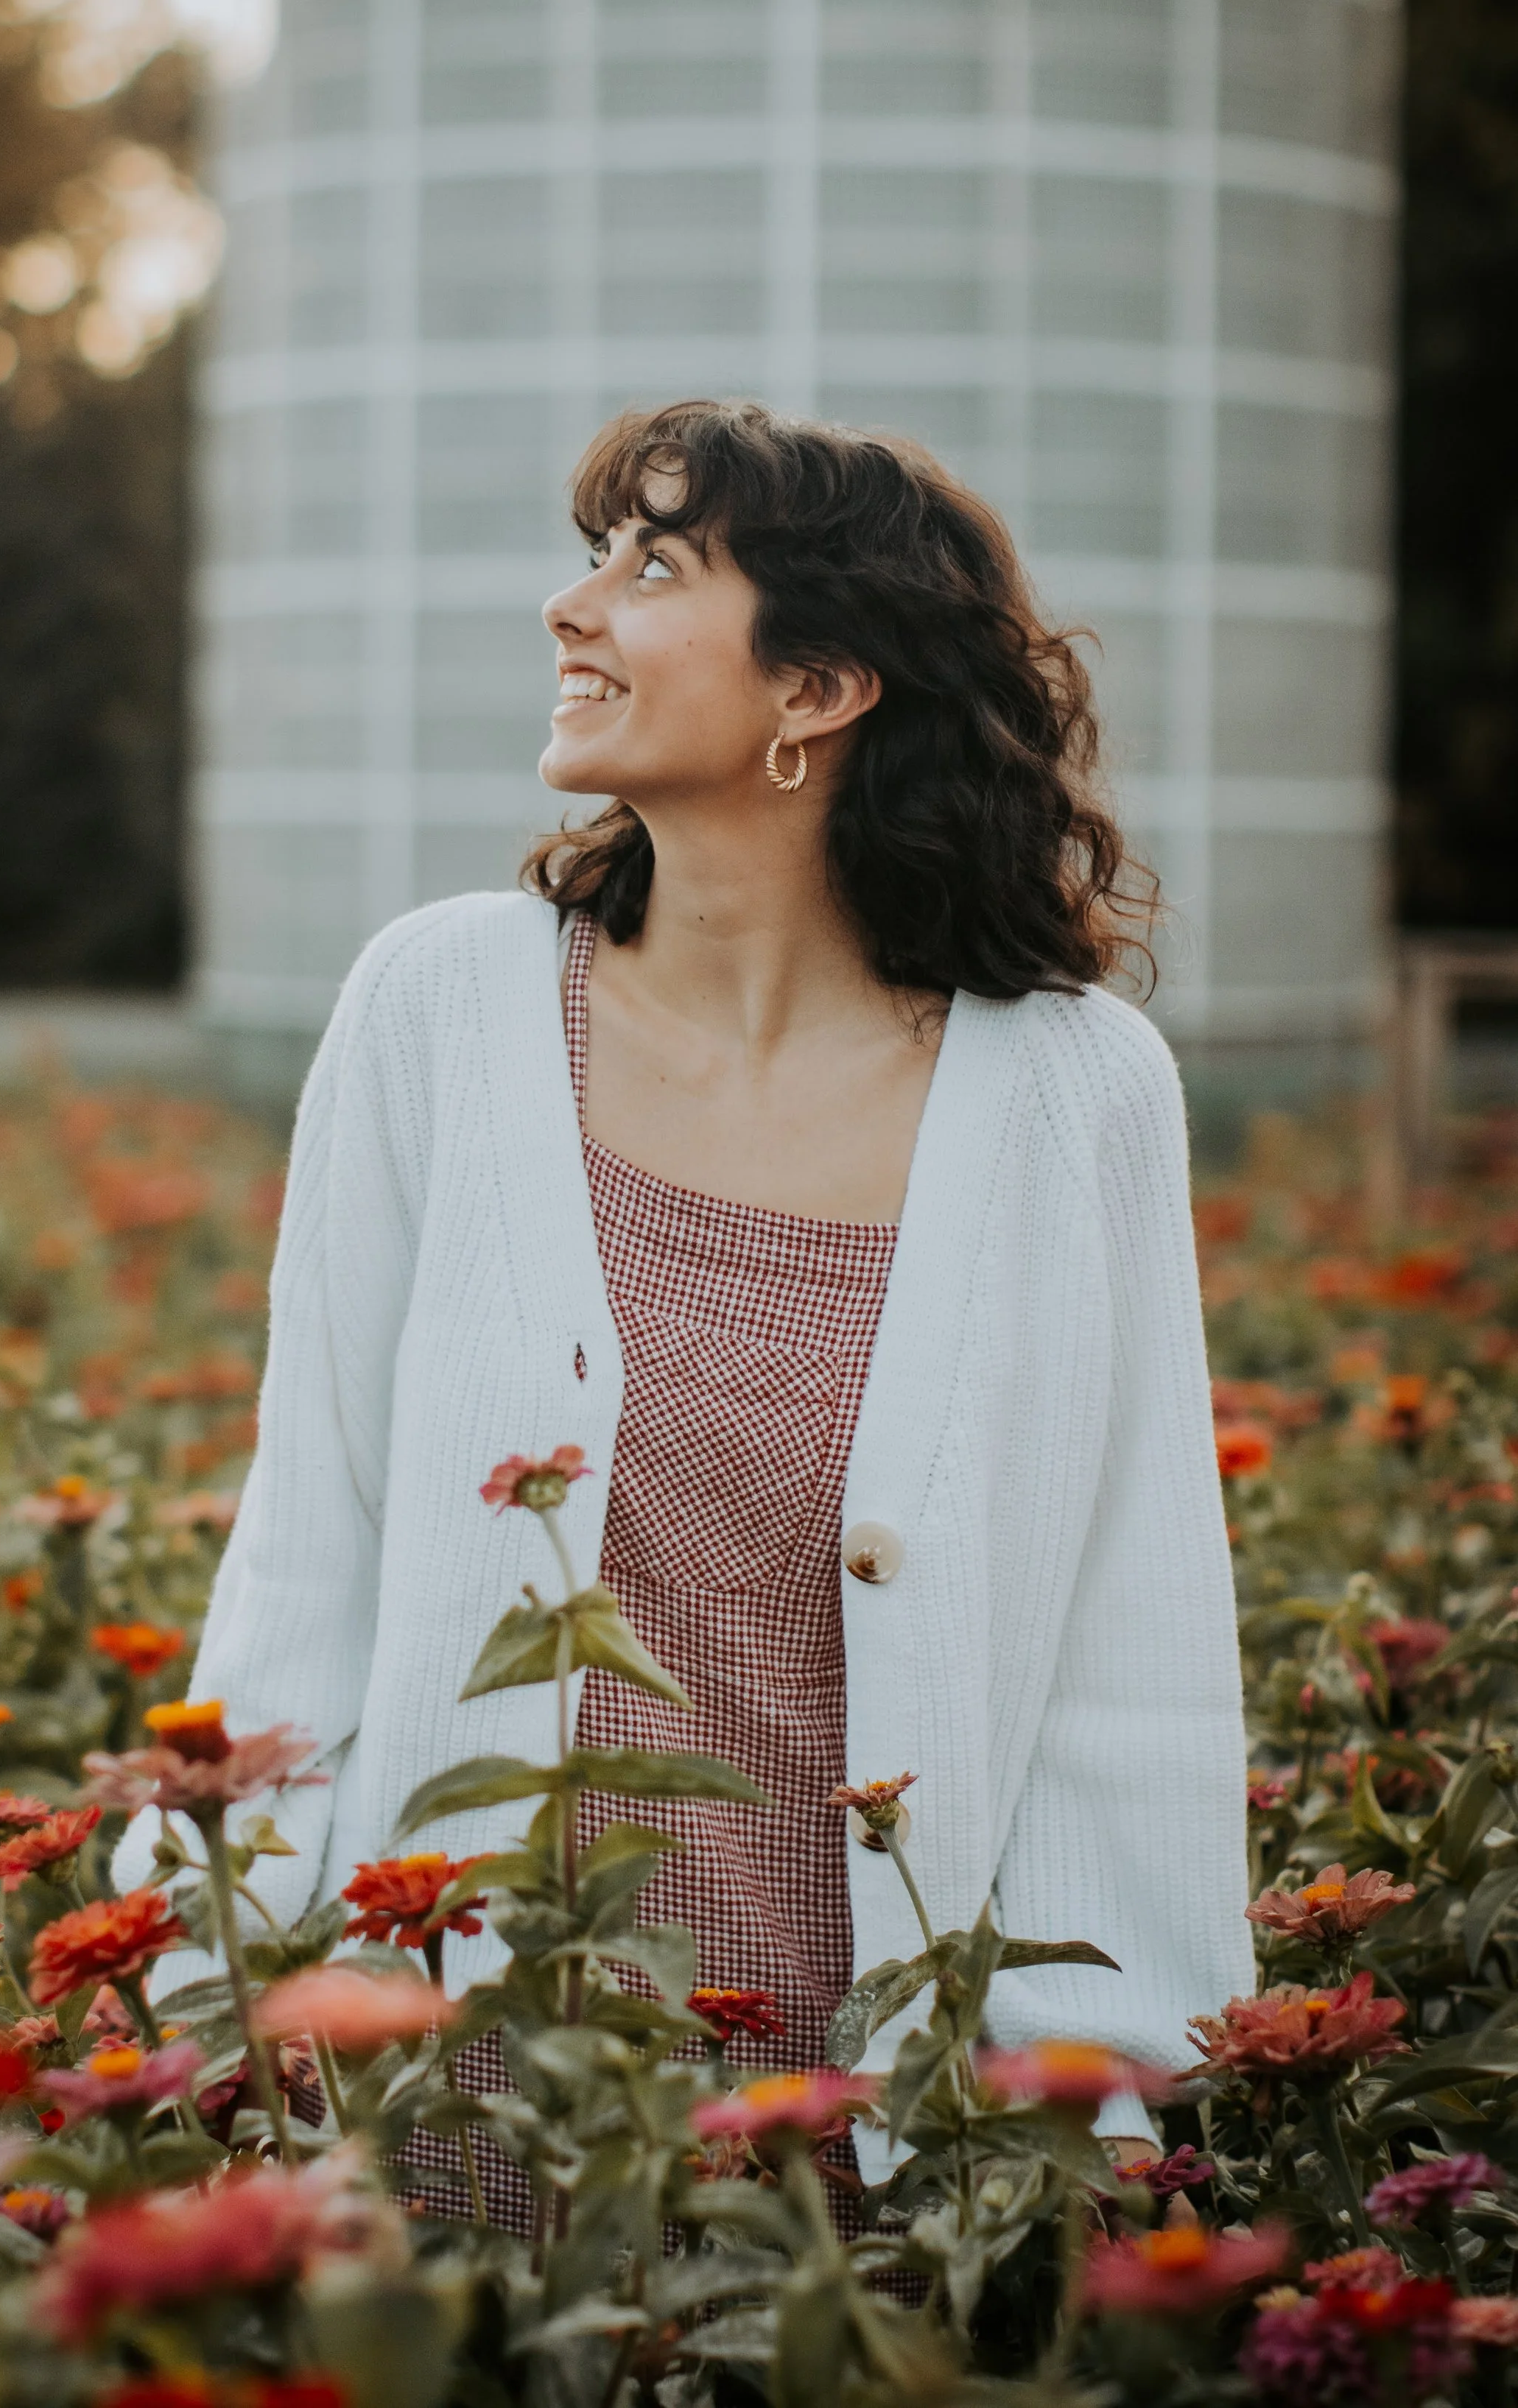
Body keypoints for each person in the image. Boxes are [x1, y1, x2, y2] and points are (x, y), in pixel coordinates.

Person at [117, 398, 1254, 2195]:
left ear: (818, 690)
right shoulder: (439, 1008)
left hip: (883, 2165)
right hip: (465, 2122)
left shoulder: (1072, 1092)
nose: (574, 610)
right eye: (592, 560)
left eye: (653, 567)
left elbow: (1136, 1623)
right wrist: (218, 1977)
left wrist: (1082, 2118)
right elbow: (308, 1542)